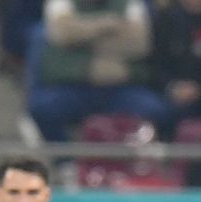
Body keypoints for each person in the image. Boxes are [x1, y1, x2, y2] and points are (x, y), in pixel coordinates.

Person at [26, 0, 171, 143]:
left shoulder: (131, 4)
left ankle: (131, 156)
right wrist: (109, 26)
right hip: (73, 87)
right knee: (43, 108)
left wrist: (79, 41)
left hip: (119, 89)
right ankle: (66, 158)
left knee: (157, 110)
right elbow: (62, 34)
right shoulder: (61, 4)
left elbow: (138, 43)